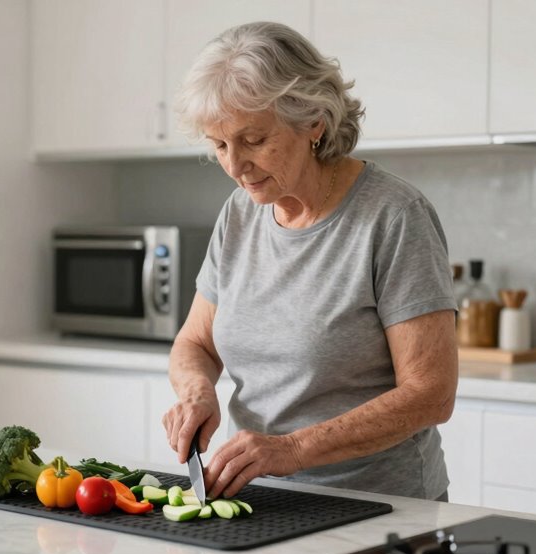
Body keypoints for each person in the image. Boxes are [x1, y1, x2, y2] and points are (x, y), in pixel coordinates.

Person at [162, 21, 458, 501]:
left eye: (253, 139)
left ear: (313, 122)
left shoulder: (393, 216)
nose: (235, 166)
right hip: (263, 498)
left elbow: (431, 394)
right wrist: (197, 392)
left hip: (383, 509)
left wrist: (292, 449)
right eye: (219, 145)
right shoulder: (240, 214)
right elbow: (195, 343)